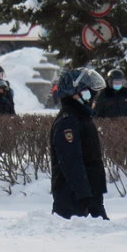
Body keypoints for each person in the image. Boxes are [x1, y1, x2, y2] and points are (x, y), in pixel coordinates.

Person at [49, 68, 109, 220]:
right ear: (73, 93)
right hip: (72, 199)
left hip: (89, 196)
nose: (91, 95)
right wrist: (85, 197)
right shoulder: (68, 122)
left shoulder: (81, 117)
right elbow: (71, 163)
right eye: (86, 90)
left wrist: (94, 196)